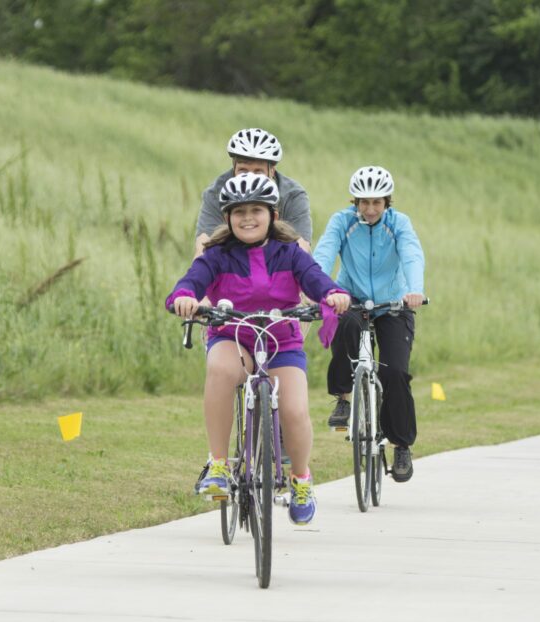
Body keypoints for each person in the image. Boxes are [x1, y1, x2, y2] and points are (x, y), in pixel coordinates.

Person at [168, 173, 350, 525]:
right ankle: (219, 466)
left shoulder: (290, 253)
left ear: (273, 215)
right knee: (220, 371)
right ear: (227, 218)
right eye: (239, 212)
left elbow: (316, 280)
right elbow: (190, 281)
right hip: (233, 335)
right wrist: (185, 298)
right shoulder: (216, 255)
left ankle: (300, 480)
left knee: (295, 411)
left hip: (282, 340)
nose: (248, 218)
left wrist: (332, 295)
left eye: (256, 210)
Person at [312, 166, 426, 482]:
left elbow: (412, 254)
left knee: (394, 373)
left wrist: (415, 290)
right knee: (343, 325)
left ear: (387, 202)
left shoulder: (398, 223)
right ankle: (344, 398)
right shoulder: (342, 221)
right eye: (363, 202)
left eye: (377, 202)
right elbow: (324, 253)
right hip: (351, 297)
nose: (370, 209)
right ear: (355, 202)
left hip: (394, 303)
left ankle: (401, 444)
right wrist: (319, 289)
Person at [194, 128, 313, 257]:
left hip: (279, 264)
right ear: (234, 167)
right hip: (231, 263)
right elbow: (203, 247)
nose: (250, 178)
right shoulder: (216, 193)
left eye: (258, 171)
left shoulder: (292, 195)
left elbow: (302, 248)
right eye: (243, 171)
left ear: (271, 171)